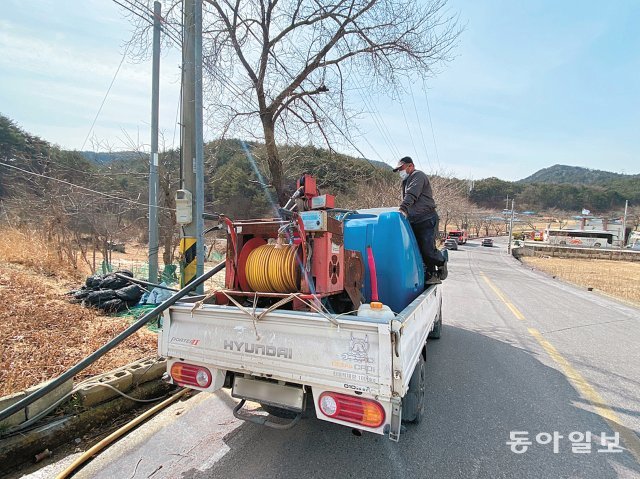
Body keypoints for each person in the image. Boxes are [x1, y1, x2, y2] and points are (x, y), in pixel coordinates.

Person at [393, 156, 448, 284]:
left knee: (427, 249)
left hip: (426, 218)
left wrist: (402, 209)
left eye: (401, 168)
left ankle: (442, 261)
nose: (400, 172)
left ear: (410, 166)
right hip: (414, 220)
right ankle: (431, 275)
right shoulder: (405, 182)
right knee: (418, 250)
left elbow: (412, 194)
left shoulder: (418, 175)